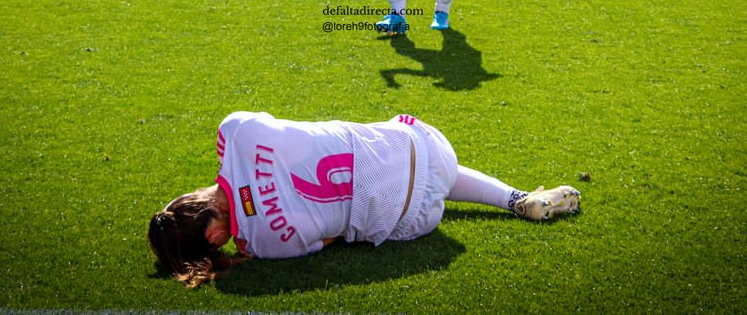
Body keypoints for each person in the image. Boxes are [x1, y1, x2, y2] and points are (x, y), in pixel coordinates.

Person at [148, 111, 581, 288]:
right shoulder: (233, 132)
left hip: (415, 220)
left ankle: (514, 199)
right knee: (396, 149)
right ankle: (515, 198)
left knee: (368, 207)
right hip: (426, 146)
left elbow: (331, 241)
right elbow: (241, 164)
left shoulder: (261, 245)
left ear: (213, 239)